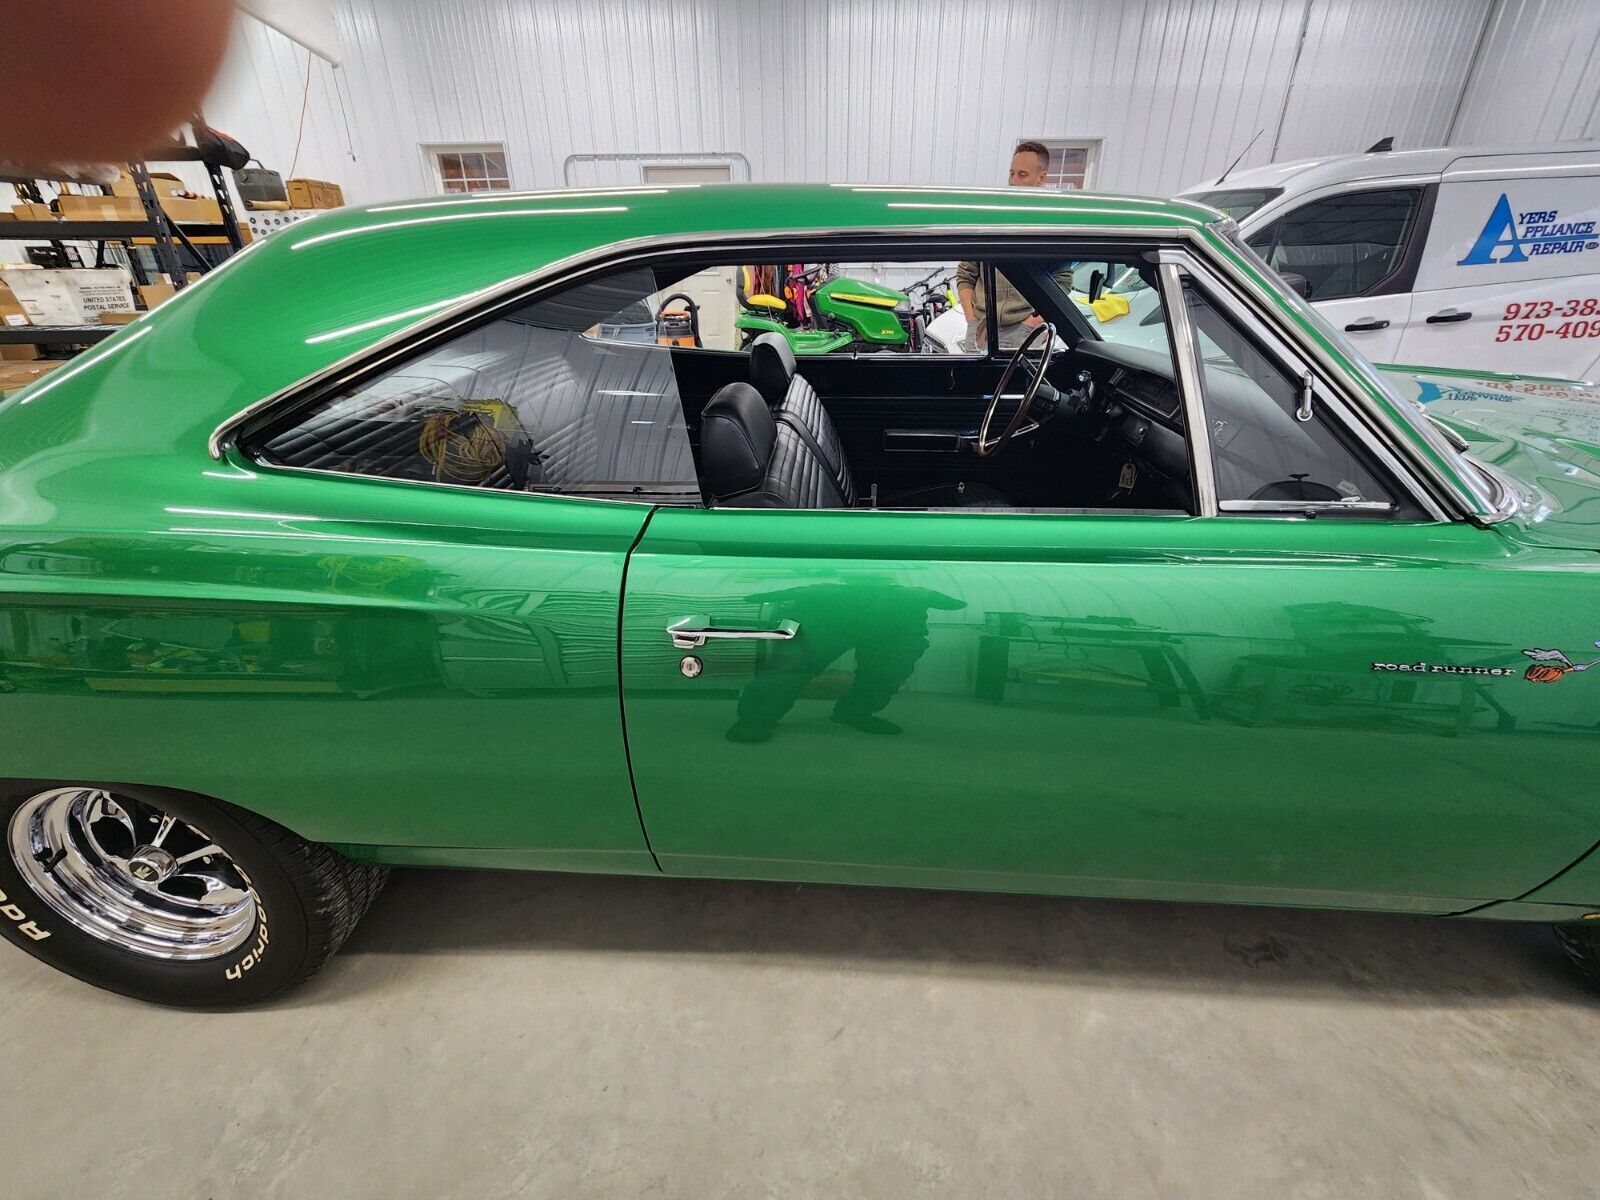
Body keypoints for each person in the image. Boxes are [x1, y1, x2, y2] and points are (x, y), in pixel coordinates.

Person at [956, 141, 1073, 350]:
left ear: (1042, 178)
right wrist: (972, 319)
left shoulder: (1052, 227)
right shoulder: (990, 220)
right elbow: (966, 275)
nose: (1014, 181)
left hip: (1026, 329)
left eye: (1022, 174)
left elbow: (1062, 281)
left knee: (1024, 383)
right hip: (982, 327)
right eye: (1012, 174)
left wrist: (1034, 323)